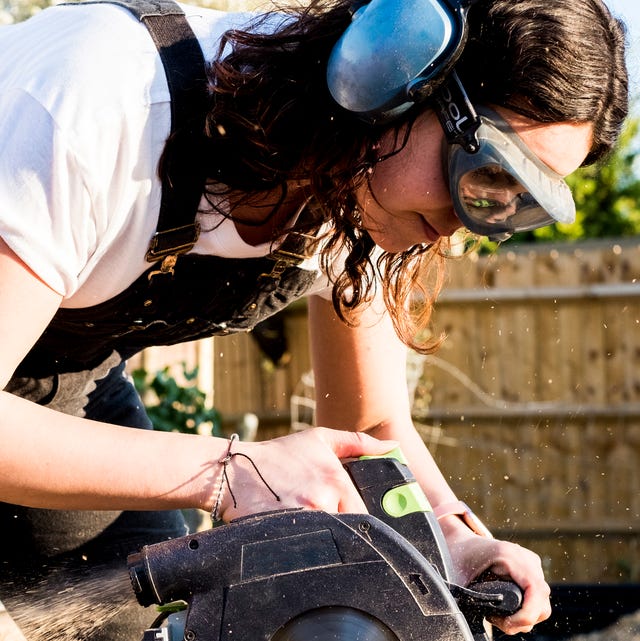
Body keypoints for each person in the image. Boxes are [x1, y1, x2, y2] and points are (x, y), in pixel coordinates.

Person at [0, 0, 628, 638]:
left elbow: (368, 423)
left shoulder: (356, 184)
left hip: (58, 383)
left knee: (150, 623)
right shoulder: (100, 102)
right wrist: (231, 471)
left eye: (511, 204)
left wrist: (447, 541)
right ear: (393, 68)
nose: (471, 218)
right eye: (484, 172)